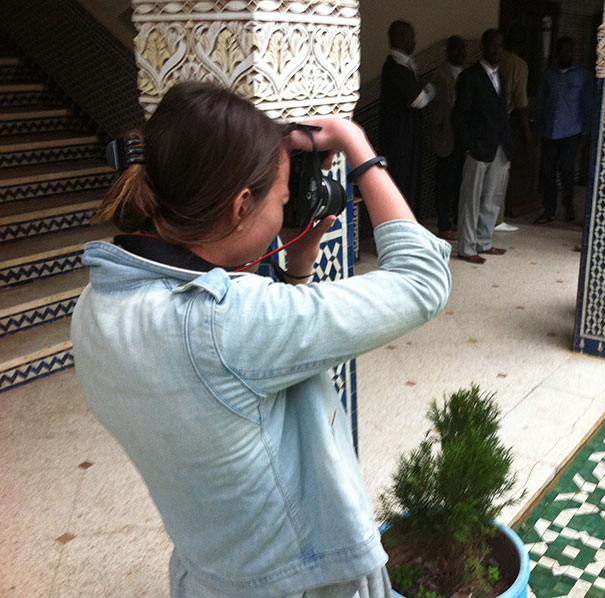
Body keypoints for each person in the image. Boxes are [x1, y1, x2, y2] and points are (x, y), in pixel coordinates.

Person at [70, 82, 451, 597]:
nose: (284, 214)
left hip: (209, 571)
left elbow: (235, 395)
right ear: (240, 205)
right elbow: (422, 282)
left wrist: (297, 270)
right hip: (301, 582)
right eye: (283, 198)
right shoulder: (226, 323)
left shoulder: (97, 305)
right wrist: (356, 144)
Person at [452, 29, 512, 264]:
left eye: (501, 46)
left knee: (492, 197)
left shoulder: (502, 75)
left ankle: (484, 242)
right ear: (483, 48)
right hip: (478, 148)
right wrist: (469, 145)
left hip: (499, 147)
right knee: (471, 198)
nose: (497, 51)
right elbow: (459, 116)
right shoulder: (470, 76)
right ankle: (466, 247)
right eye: (493, 46)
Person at [534, 36, 593, 224]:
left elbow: (587, 104)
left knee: (567, 171)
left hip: (571, 132)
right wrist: (537, 129)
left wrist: (586, 132)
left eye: (568, 50)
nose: (565, 54)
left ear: (573, 52)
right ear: (557, 52)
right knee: (547, 171)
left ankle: (567, 206)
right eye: (562, 50)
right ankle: (549, 210)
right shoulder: (548, 75)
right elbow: (540, 103)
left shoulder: (583, 75)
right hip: (549, 131)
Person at [379, 19, 435, 213]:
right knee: (401, 184)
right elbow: (420, 101)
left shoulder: (404, 66)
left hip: (405, 138)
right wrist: (430, 89)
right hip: (399, 140)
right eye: (412, 37)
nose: (415, 42)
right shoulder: (396, 67)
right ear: (402, 39)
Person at [494, 25, 531, 234]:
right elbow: (521, 104)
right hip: (506, 123)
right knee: (500, 175)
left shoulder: (496, 62)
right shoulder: (519, 65)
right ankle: (497, 220)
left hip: (486, 126)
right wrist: (528, 134)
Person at [430, 35, 466, 241]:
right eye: (456, 49)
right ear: (448, 52)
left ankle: (458, 222)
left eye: (463, 49)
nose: (461, 53)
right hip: (446, 138)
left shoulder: (467, 73)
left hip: (462, 138)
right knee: (445, 182)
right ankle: (444, 224)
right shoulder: (440, 74)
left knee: (460, 182)